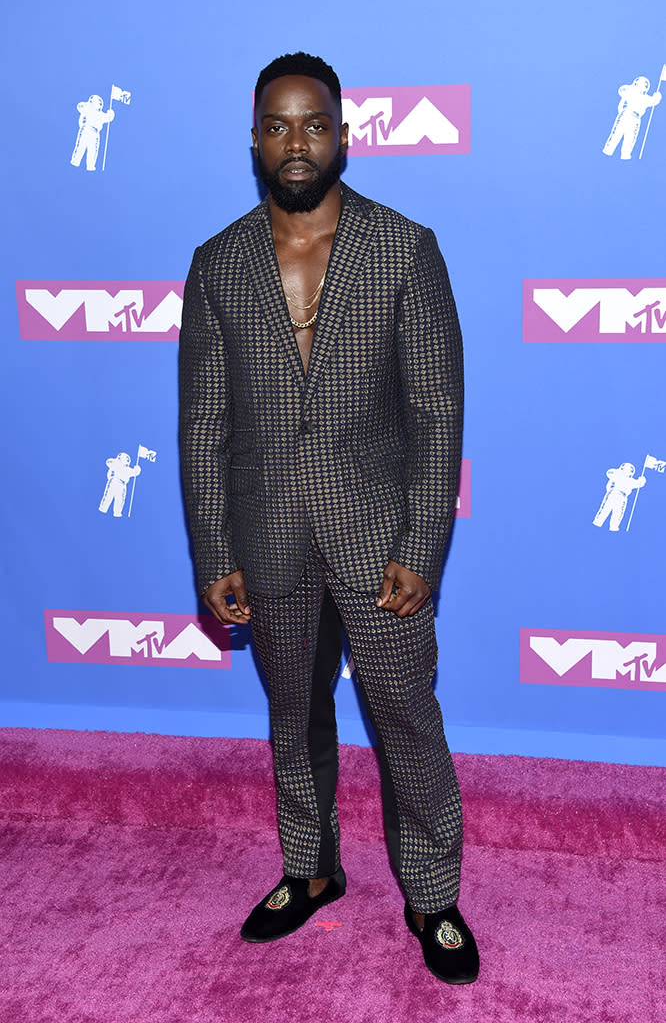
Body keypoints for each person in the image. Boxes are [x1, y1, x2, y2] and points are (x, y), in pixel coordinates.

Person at [179, 52, 478, 985]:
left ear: (345, 135)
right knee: (291, 716)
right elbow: (202, 424)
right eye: (278, 125)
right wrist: (214, 550)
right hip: (267, 539)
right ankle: (309, 870)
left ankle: (432, 892)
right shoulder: (217, 264)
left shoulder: (404, 249)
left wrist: (422, 545)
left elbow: (437, 413)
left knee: (405, 716)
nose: (296, 142)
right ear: (254, 141)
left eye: (314, 124)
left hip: (380, 538)